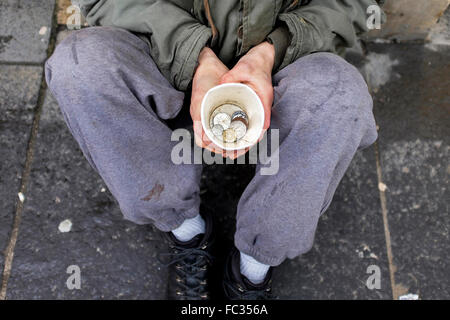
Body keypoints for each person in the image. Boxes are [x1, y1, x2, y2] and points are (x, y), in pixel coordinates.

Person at [45, 0, 385, 300]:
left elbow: (353, 2)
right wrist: (193, 55)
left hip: (286, 65)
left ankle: (254, 267)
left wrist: (271, 51)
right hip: (162, 55)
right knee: (79, 66)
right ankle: (186, 229)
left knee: (343, 97)